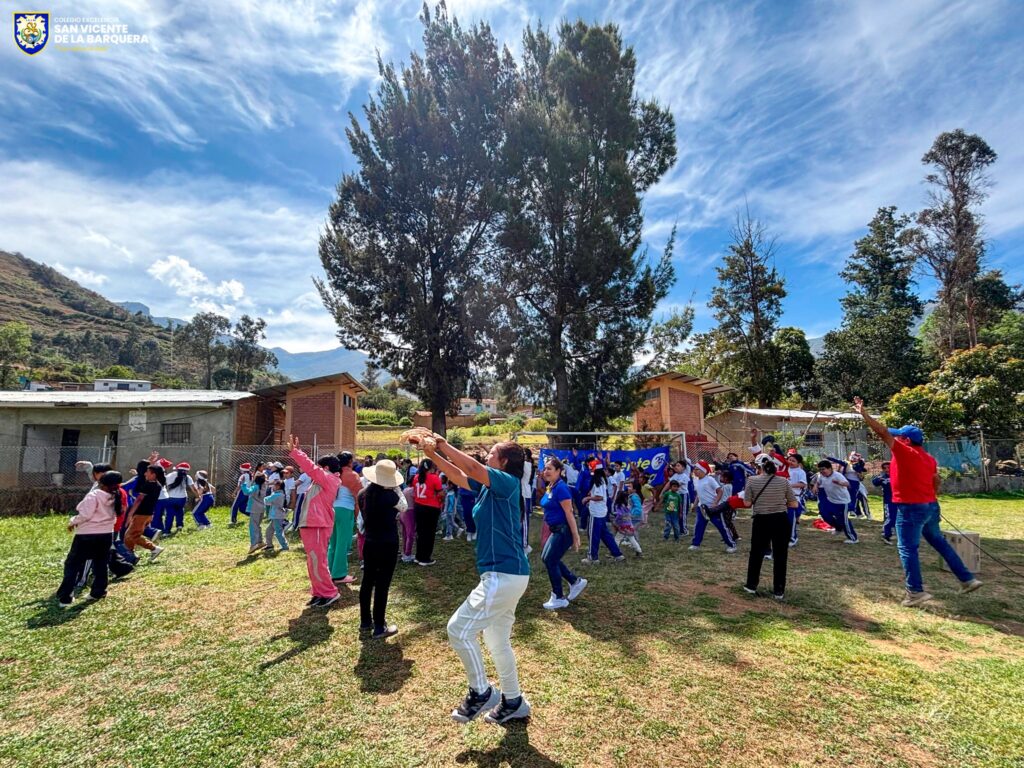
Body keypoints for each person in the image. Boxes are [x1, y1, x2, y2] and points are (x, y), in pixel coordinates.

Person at [407, 429, 532, 725]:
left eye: (492, 453)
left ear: (504, 462)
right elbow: (461, 476)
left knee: (458, 630)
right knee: (496, 640)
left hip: (504, 574)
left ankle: (481, 692)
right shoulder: (490, 487)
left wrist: (443, 444)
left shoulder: (507, 482)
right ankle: (513, 701)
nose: (487, 456)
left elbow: (473, 468)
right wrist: (432, 454)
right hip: (506, 574)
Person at [852, 397, 982, 607]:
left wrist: (863, 414)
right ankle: (967, 579)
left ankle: (915, 592)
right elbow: (936, 479)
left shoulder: (904, 452)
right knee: (939, 542)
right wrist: (931, 497)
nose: (895, 438)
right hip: (930, 505)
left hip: (911, 507)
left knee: (907, 548)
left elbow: (882, 432)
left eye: (899, 436)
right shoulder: (929, 458)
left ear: (906, 440)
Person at [288, 436, 342, 608]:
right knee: (313, 561)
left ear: (325, 469)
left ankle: (330, 592)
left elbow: (311, 468)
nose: (315, 470)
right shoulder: (322, 480)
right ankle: (319, 592)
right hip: (312, 524)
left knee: (318, 561)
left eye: (319, 467)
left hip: (318, 524)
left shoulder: (329, 479)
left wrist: (296, 452)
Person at [57, 470, 122, 608]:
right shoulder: (116, 495)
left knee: (73, 564)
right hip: (106, 534)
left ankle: (66, 597)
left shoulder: (94, 495)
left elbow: (85, 515)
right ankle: (98, 591)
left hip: (87, 534)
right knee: (101, 563)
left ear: (100, 482)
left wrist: (73, 521)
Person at [358, 459, 407, 639]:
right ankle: (380, 625)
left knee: (367, 581)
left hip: (370, 541)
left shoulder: (363, 494)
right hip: (387, 543)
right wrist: (397, 488)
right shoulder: (391, 496)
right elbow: (404, 507)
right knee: (382, 584)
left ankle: (365, 621)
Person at [742, 454, 799, 600]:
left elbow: (747, 503)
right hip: (780, 519)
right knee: (781, 555)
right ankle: (779, 590)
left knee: (756, 553)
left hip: (761, 520)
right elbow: (794, 504)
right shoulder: (783, 481)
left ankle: (751, 585)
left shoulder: (751, 480)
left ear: (758, 467)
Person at [537, 458, 587, 610]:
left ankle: (558, 597)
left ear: (559, 471)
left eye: (549, 469)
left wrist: (575, 536)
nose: (546, 471)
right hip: (555, 529)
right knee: (547, 558)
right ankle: (575, 582)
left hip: (563, 530)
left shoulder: (561, 488)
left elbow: (569, 512)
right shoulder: (551, 486)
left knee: (550, 560)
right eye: (545, 468)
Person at [328, 452, 363, 583]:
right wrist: (358, 516)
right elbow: (359, 497)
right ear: (349, 462)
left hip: (332, 509)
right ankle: (339, 574)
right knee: (343, 543)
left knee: (333, 543)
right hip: (345, 510)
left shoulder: (333, 473)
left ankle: (329, 570)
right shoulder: (352, 475)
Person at [123, 456, 166, 562]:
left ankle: (153, 548)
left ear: (153, 475)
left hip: (141, 514)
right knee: (132, 535)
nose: (145, 474)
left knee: (130, 536)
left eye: (148, 472)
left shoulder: (148, 485)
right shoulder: (158, 485)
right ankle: (131, 556)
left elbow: (138, 500)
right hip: (148, 514)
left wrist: (130, 514)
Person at [581, 465, 625, 565]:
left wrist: (588, 498)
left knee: (593, 535)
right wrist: (591, 494)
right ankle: (617, 554)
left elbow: (599, 497)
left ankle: (592, 558)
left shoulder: (598, 481)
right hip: (601, 512)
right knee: (606, 535)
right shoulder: (602, 480)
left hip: (596, 513)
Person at [689, 461, 736, 553]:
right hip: (701, 508)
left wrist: (715, 503)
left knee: (721, 526)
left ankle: (731, 545)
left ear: (703, 470)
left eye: (697, 469)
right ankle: (695, 544)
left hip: (713, 509)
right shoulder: (697, 481)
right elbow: (699, 494)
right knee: (699, 526)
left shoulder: (710, 479)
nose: (695, 471)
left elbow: (720, 491)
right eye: (694, 469)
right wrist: (695, 505)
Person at [813, 461, 857, 543]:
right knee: (825, 515)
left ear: (830, 468)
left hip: (843, 502)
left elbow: (847, 484)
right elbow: (818, 482)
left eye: (823, 469)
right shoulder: (821, 476)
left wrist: (840, 483)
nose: (822, 471)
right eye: (820, 470)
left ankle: (853, 538)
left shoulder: (837, 475)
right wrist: (815, 486)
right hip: (831, 501)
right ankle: (838, 528)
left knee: (843, 520)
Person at [411, 458, 444, 566]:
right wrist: (441, 500)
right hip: (431, 508)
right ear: (431, 467)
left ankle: (418, 556)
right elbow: (441, 493)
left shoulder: (416, 477)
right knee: (429, 534)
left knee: (420, 532)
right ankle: (425, 558)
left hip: (418, 506)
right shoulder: (434, 478)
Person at [162, 462, 196, 535]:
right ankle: (179, 525)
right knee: (180, 511)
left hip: (170, 498)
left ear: (178, 469)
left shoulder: (170, 475)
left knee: (169, 514)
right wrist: (198, 496)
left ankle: (167, 531)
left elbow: (163, 483)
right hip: (182, 498)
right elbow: (193, 489)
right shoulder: (187, 477)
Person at [786, 454, 808, 547]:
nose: (790, 462)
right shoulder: (784, 469)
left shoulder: (800, 472)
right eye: (789, 460)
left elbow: (802, 484)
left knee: (791, 519)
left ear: (798, 463)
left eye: (793, 461)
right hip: (782, 498)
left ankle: (793, 538)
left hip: (794, 498)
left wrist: (789, 485)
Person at [612, 490, 642, 557]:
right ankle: (639, 550)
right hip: (629, 525)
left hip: (623, 526)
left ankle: (614, 552)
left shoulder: (618, 506)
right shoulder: (627, 505)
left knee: (617, 539)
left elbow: (620, 515)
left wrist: (616, 521)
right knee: (632, 538)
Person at [244, 474, 268, 555]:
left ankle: (254, 544)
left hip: (254, 509)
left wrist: (243, 484)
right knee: (257, 525)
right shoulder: (264, 486)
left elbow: (246, 492)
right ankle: (260, 541)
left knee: (253, 526)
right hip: (262, 509)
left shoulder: (255, 487)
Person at [873, 461, 897, 544]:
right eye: (884, 468)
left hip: (899, 500)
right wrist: (880, 479)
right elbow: (875, 482)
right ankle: (886, 534)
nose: (887, 469)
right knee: (890, 517)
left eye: (888, 467)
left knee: (898, 517)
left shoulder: (897, 475)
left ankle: (893, 531)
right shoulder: (883, 477)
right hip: (888, 500)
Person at [263, 479, 289, 552]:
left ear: (278, 486)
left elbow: (266, 500)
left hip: (277, 516)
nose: (273, 487)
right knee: (268, 531)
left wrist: (266, 496)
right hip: (275, 516)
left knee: (278, 533)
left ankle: (285, 547)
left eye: (274, 485)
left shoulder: (278, 495)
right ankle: (269, 545)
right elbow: (268, 503)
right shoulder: (277, 494)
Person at [666, 461, 692, 534]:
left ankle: (683, 531)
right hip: (675, 496)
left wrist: (669, 492)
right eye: (675, 466)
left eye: (678, 465)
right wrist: (662, 492)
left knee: (682, 513)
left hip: (683, 496)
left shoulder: (684, 476)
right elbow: (669, 484)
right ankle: (676, 529)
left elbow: (676, 485)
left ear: (683, 468)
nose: (676, 467)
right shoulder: (675, 476)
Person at [520, 449, 534, 553]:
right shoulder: (520, 464)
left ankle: (525, 545)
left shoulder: (526, 464)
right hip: (519, 494)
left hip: (524, 494)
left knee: (524, 520)